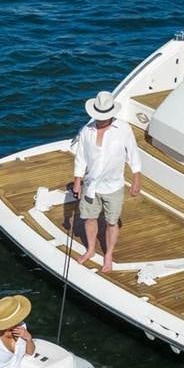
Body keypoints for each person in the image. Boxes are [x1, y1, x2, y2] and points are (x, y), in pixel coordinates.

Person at [72, 90, 142, 272]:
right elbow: (80, 158)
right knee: (89, 218)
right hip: (91, 185)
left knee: (112, 222)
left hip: (113, 186)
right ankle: (91, 249)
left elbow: (133, 153)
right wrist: (77, 181)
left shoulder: (124, 129)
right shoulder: (86, 131)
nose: (100, 119)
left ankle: (108, 254)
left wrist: (136, 178)